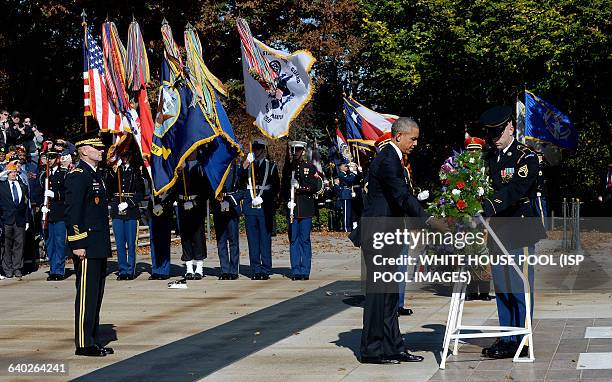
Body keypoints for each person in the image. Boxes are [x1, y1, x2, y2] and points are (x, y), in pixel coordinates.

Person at [359, 117, 447, 364]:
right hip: (379, 234)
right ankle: (372, 350)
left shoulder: (395, 159)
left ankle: (392, 346)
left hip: (389, 234)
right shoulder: (388, 159)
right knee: (379, 294)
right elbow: (401, 196)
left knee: (389, 296)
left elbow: (404, 197)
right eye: (413, 138)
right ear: (398, 136)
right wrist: (429, 220)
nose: (416, 143)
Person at [479, 105, 546, 359]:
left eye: (498, 133)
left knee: (520, 285)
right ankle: (508, 337)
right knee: (503, 286)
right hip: (497, 230)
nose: (493, 138)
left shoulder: (525, 157)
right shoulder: (489, 157)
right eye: (490, 134)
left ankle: (523, 338)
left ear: (511, 128)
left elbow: (516, 189)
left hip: (520, 229)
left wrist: (488, 205)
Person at [65, 130, 113, 357]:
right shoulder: (78, 175)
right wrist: (77, 242)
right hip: (85, 243)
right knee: (86, 293)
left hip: (98, 242)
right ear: (83, 150)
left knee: (96, 293)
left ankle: (92, 338)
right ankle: (83, 343)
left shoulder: (95, 175)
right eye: (96, 148)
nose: (101, 151)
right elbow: (73, 213)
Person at [283, 141, 322, 280]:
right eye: (293, 150)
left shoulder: (309, 167)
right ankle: (295, 270)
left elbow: (315, 185)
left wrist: (300, 187)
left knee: (304, 240)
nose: (295, 152)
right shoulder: (288, 168)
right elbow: (283, 189)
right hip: (292, 209)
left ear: (303, 151)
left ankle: (305, 270)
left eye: (298, 150)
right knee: (293, 239)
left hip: (305, 208)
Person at [241, 138, 279, 280]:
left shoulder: (272, 166)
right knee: (253, 240)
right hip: (251, 206)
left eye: (258, 148)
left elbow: (276, 187)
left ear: (264, 150)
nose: (255, 151)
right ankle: (256, 269)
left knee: (264, 239)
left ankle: (266, 268)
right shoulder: (248, 166)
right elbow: (239, 179)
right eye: (254, 148)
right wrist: (246, 163)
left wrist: (266, 197)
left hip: (264, 207)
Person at [107, 151, 145, 280]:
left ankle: (130, 270)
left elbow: (141, 193)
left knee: (131, 242)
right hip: (117, 209)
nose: (124, 158)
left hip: (131, 211)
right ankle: (122, 270)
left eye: (126, 156)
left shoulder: (135, 172)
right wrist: (112, 172)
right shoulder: (115, 171)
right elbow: (109, 189)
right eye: (122, 156)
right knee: (120, 243)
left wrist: (129, 203)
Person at [176, 151, 210, 280]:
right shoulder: (180, 168)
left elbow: (205, 190)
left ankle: (199, 268)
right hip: (183, 204)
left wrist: (195, 202)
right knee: (185, 236)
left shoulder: (201, 167)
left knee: (198, 237)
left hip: (196, 206)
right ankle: (189, 268)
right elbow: (174, 187)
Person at [39, 148, 68, 281]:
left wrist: (55, 195)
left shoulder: (64, 174)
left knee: (60, 243)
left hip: (60, 213)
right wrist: (42, 207)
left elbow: (67, 194)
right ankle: (53, 268)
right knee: (50, 243)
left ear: (57, 159)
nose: (49, 160)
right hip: (48, 214)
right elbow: (40, 193)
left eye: (52, 158)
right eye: (48, 158)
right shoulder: (43, 175)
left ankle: (59, 270)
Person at [212, 158, 243, 280]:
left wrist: (232, 200)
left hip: (232, 205)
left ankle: (234, 270)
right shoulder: (216, 170)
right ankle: (224, 270)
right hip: (219, 205)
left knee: (233, 240)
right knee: (221, 241)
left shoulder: (236, 170)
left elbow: (242, 190)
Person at [0, 162, 31, 278]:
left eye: (15, 172)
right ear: (7, 173)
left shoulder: (22, 185)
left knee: (19, 244)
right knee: (6, 245)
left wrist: (27, 220)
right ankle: (7, 268)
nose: (14, 174)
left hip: (20, 220)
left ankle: (17, 267)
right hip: (6, 220)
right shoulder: (2, 186)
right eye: (11, 172)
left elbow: (25, 203)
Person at [148, 191, 173, 280]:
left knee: (164, 241)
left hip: (165, 210)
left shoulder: (169, 177)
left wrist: (164, 203)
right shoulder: (150, 177)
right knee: (154, 241)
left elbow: (173, 191)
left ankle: (164, 270)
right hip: (153, 208)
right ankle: (156, 270)